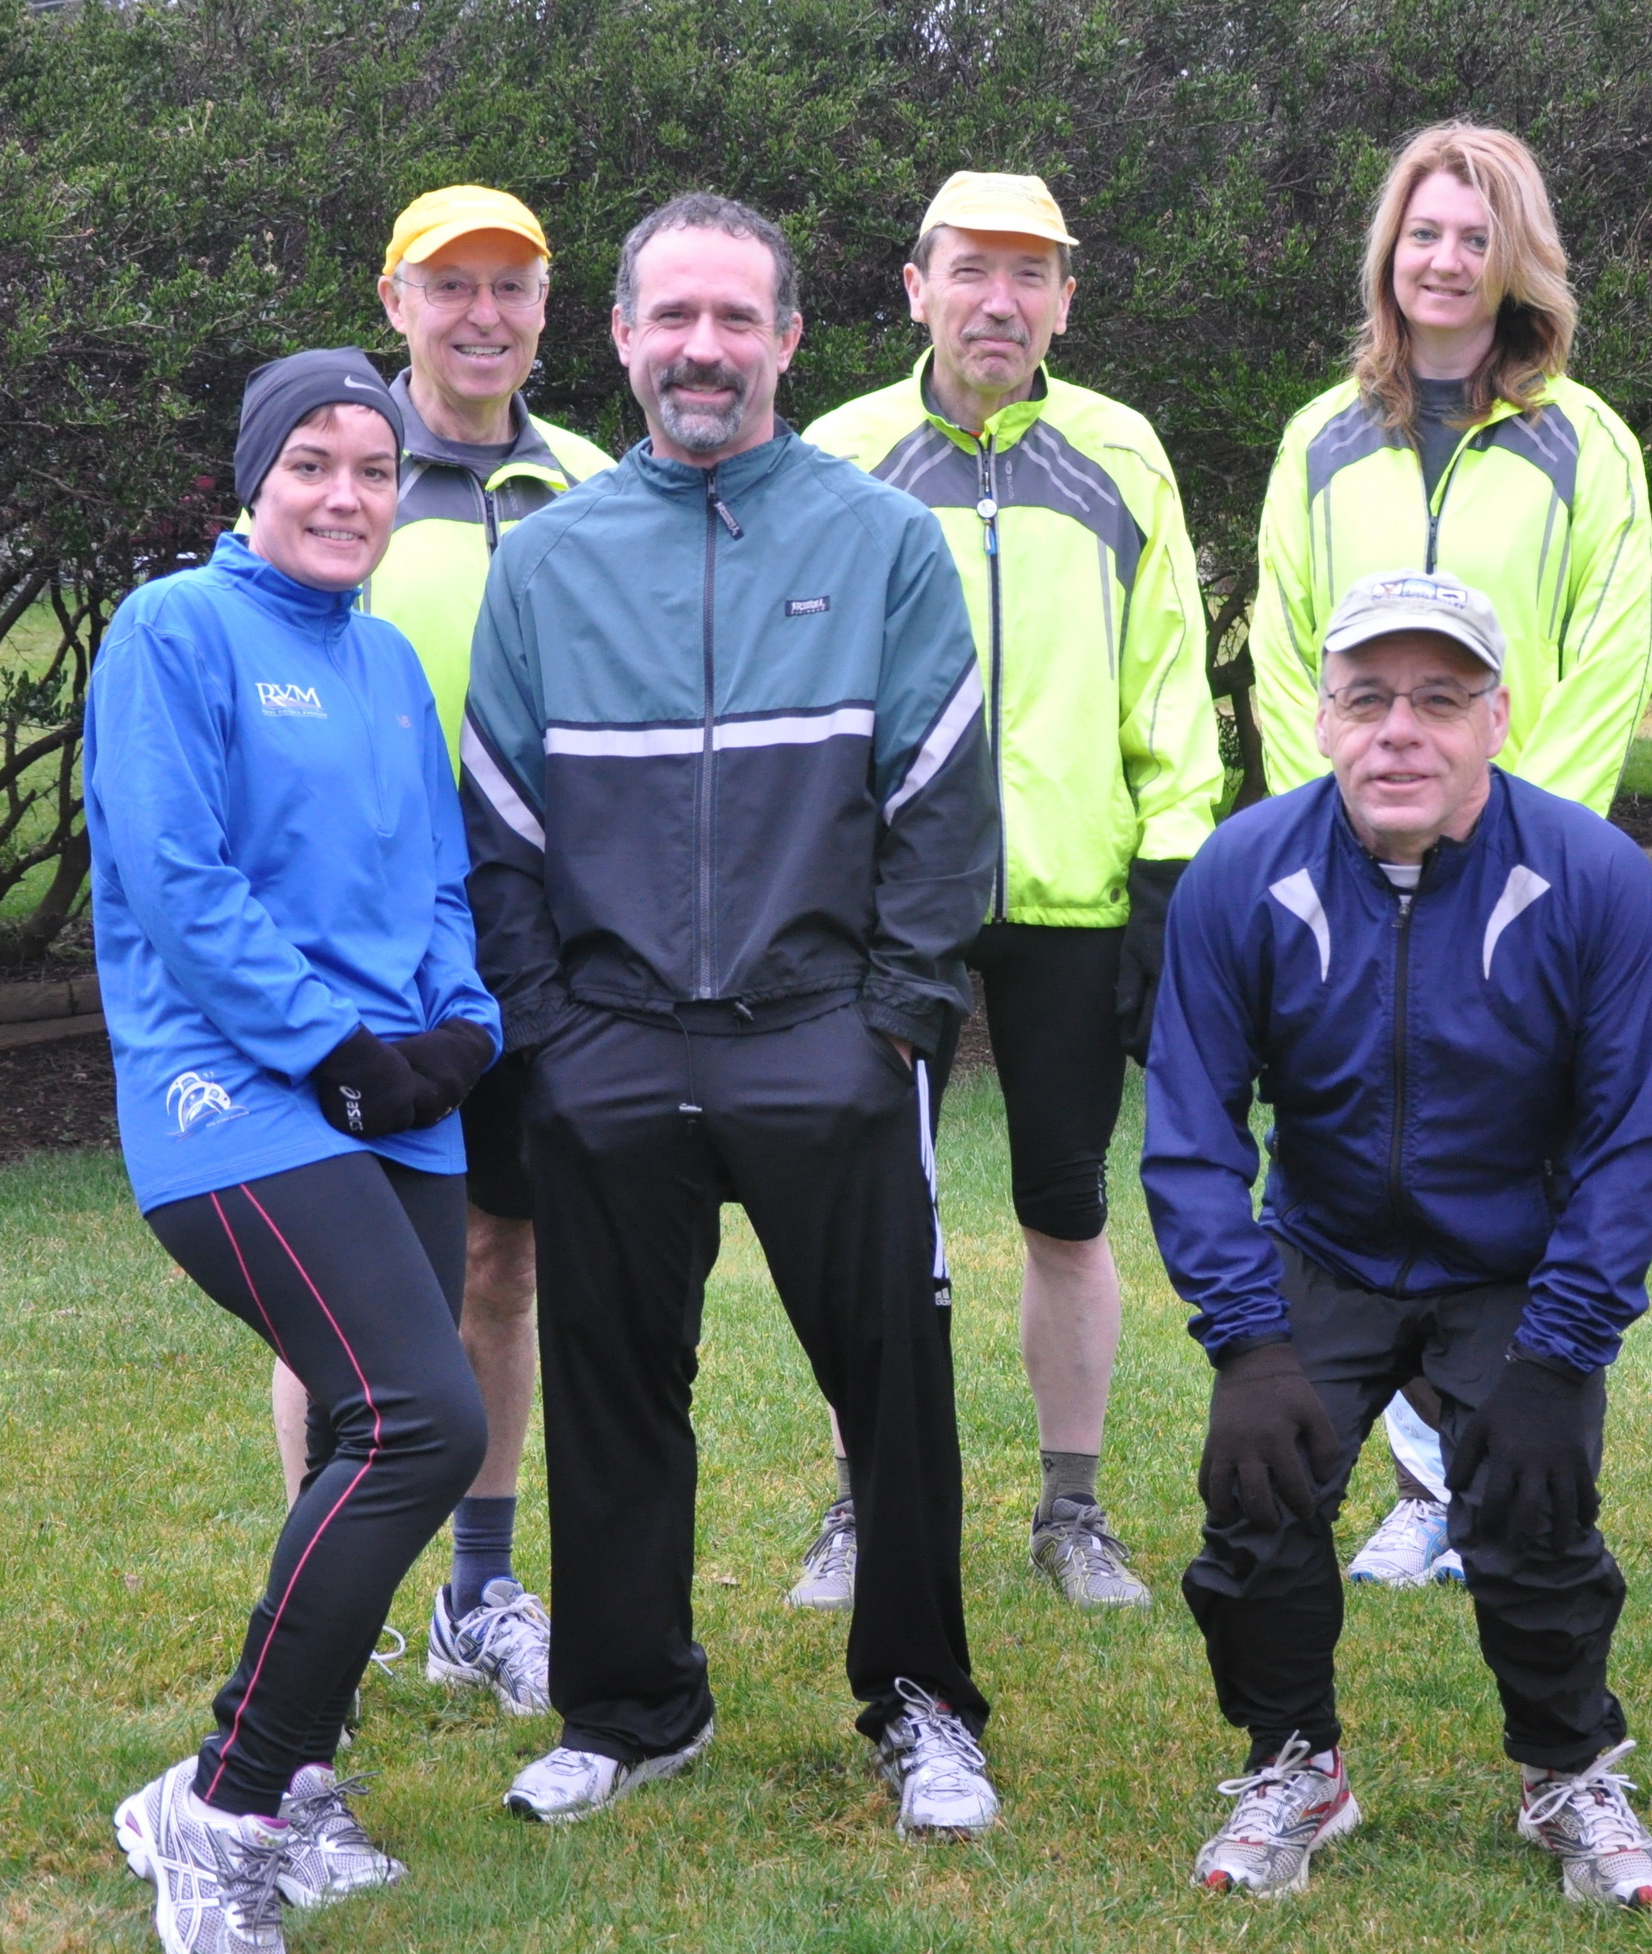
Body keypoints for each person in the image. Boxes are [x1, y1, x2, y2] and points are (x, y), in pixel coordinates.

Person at [464, 193, 1003, 1836]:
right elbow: (498, 822)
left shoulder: (879, 540)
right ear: (621, 338)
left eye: (736, 318)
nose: (704, 347)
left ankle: (919, 1702)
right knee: (616, 1385)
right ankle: (631, 1707)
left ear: (786, 338)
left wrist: (893, 1020)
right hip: (609, 1042)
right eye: (671, 317)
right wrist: (551, 1029)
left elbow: (941, 803)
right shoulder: (545, 558)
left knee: (892, 1383)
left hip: (822, 1034)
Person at [1146, 572, 1652, 1907]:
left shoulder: (1595, 880)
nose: (1401, 732)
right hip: (1323, 1251)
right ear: (1320, 718)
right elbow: (1191, 1132)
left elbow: (1634, 1139)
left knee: (1535, 1508)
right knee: (1255, 1494)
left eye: (1439, 700)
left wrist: (1561, 1354)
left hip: (1511, 1261)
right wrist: (1246, 1339)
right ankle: (1296, 1763)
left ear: (1497, 718)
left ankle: (1565, 1769)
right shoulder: (1240, 874)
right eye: (1368, 698)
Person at [93, 350, 500, 1952]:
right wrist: (331, 1049)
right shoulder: (172, 631)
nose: (347, 496)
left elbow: (441, 880)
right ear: (252, 481)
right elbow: (180, 884)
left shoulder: (393, 661)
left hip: (404, 1092)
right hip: (234, 1095)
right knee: (420, 1418)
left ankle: (279, 1770)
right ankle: (229, 1810)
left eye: (375, 469)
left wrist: (460, 1036)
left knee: (377, 1427)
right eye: (314, 465)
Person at [1245, 123, 1652, 1584]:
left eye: (1474, 236)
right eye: (1422, 232)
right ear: (1388, 252)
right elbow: (1285, 641)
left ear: (1516, 259)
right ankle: (1418, 1486)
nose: (1443, 258)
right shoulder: (1320, 436)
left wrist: (1521, 832)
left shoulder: (1584, 439)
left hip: (1521, 869)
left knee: (1506, 1166)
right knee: (1364, 1148)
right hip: (1348, 863)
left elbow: (1615, 640)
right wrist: (1346, 825)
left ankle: (1491, 1470)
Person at [802, 171, 1223, 1612]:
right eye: (972, 271)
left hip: (1075, 890)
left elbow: (1171, 669)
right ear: (914, 285)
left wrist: (1171, 862)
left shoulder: (1121, 450)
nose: (1001, 301)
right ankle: (862, 1504)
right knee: (873, 1212)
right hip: (888, 900)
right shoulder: (843, 451)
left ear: (1066, 298)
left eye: (1031, 276)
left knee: (1065, 1203)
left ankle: (1073, 1507)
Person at [261, 185, 614, 1718]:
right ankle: (327, 1604)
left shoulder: (596, 482)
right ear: (394, 299)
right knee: (339, 1281)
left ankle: (482, 1589)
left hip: (539, 937)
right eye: (449, 285)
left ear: (547, 309)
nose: (484, 314)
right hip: (357, 946)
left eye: (512, 287)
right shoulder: (344, 475)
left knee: (500, 1259)